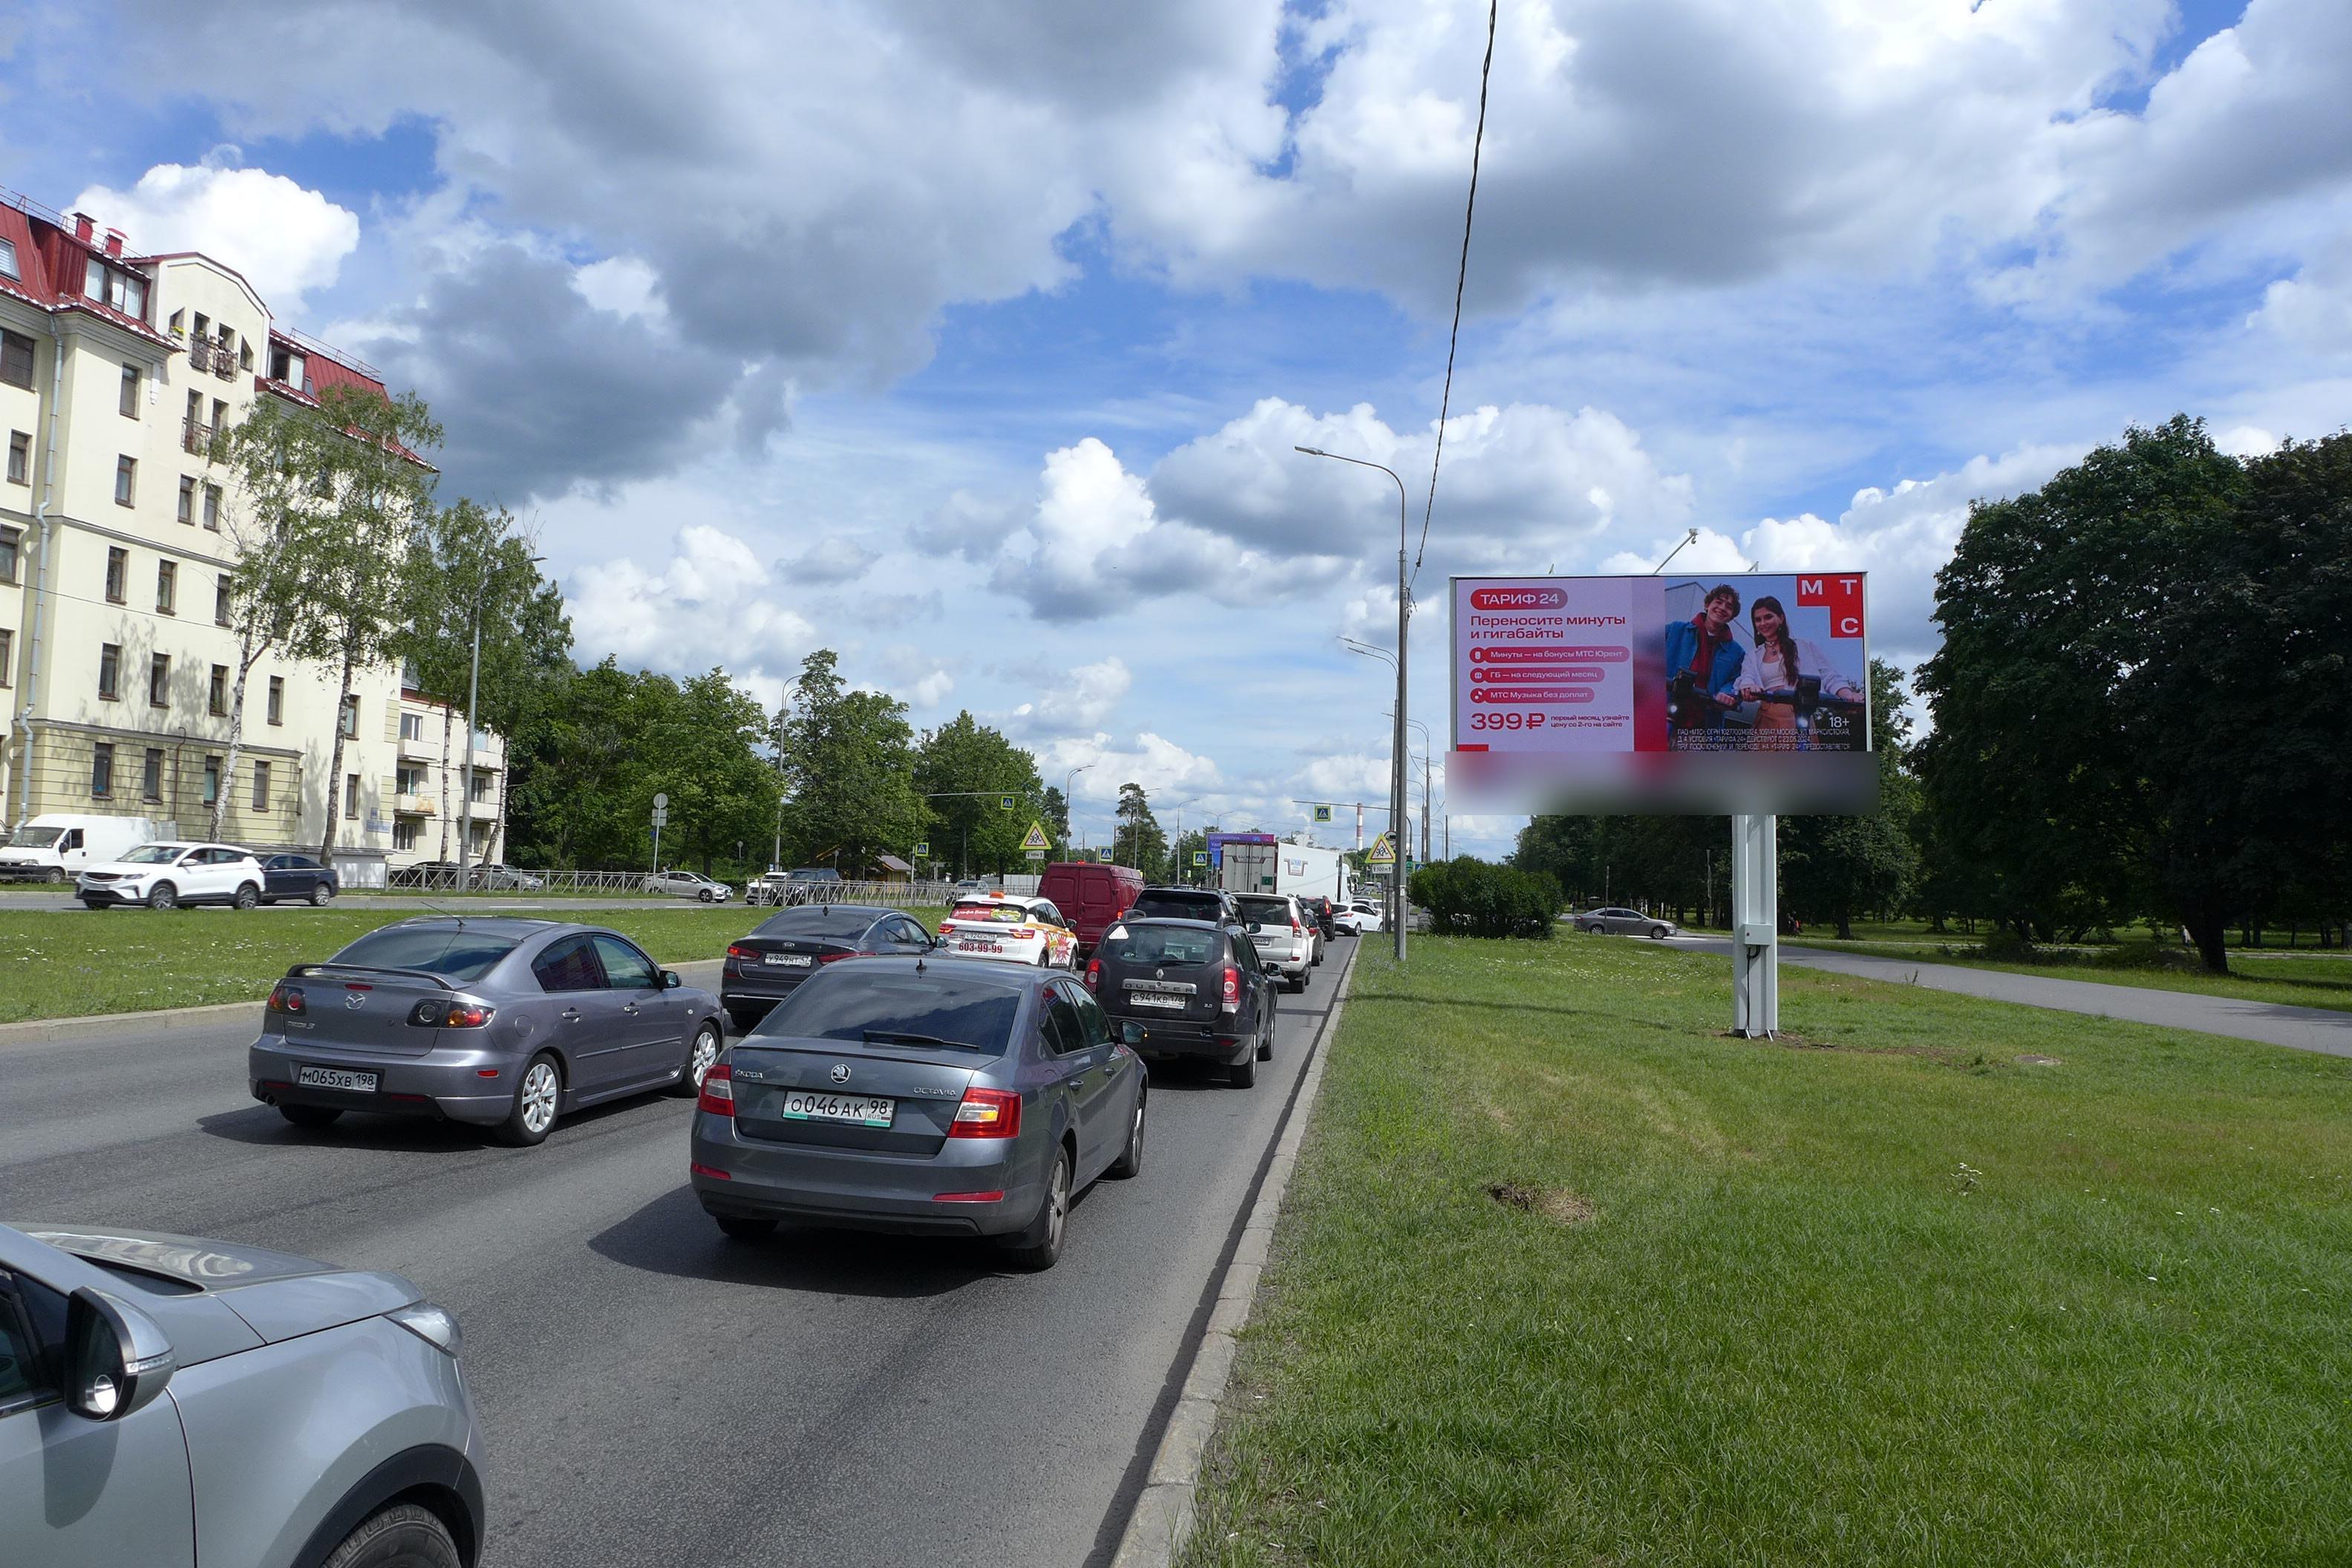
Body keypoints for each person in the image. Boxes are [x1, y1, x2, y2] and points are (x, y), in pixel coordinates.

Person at [1736, 595, 1862, 747]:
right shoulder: (1753, 656)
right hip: (1766, 719)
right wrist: (1749, 687)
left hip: (1800, 717)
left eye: (1768, 617)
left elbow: (1829, 676)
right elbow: (1746, 676)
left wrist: (1847, 695)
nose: (1763, 623)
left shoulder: (1804, 647)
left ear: (1781, 618)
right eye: (1758, 619)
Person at [1665, 584, 1745, 731]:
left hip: (1703, 725)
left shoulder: (1736, 652)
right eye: (1719, 602)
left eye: (1729, 606)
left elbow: (1737, 680)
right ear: (1707, 605)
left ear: (1732, 616)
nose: (1722, 608)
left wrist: (1727, 693)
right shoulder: (1676, 630)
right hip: (1664, 715)